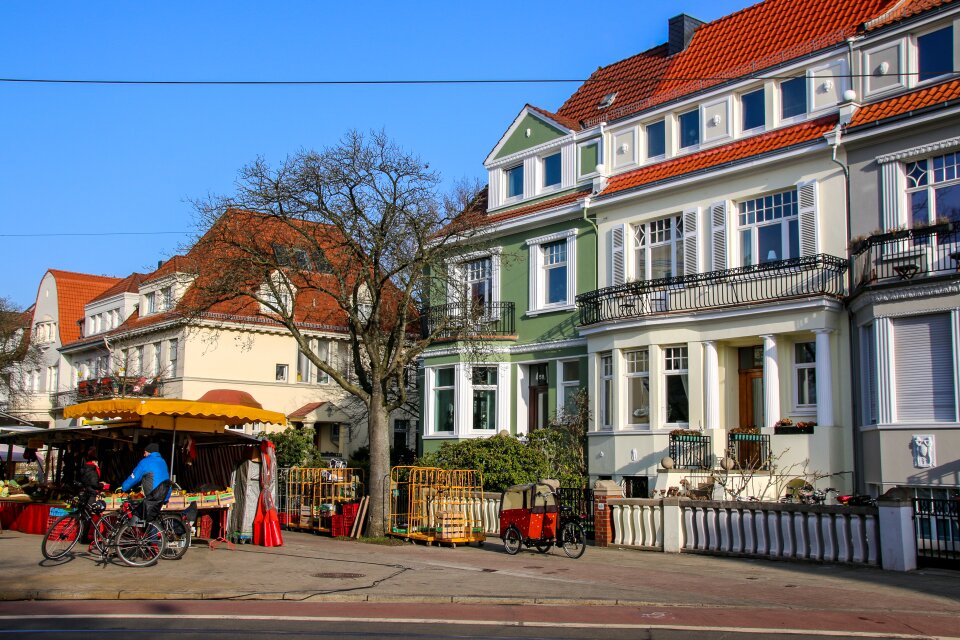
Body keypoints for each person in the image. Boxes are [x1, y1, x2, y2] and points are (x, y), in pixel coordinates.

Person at [120, 443, 171, 523]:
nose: (144, 455)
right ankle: (158, 532)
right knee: (153, 517)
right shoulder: (162, 461)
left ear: (149, 452)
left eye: (145, 452)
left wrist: (123, 487)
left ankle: (152, 534)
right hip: (165, 493)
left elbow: (134, 477)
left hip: (154, 495)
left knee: (140, 514)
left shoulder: (146, 462)